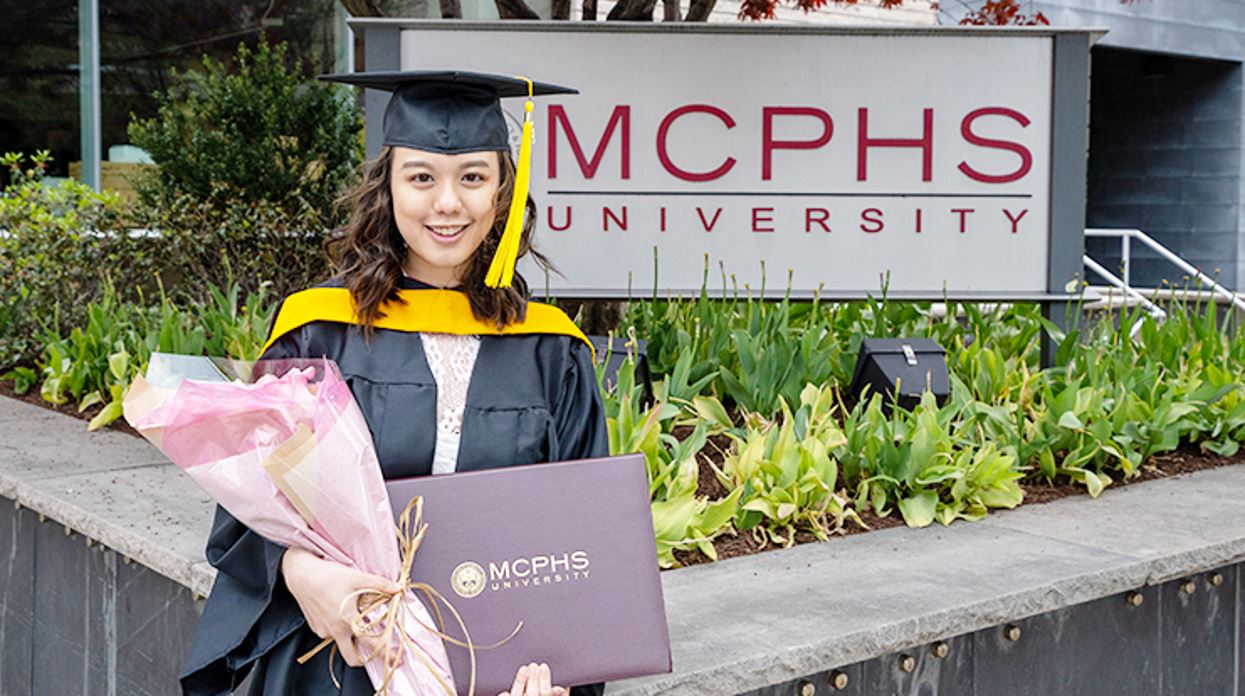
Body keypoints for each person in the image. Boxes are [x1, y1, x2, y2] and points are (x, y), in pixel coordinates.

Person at [179, 71, 608, 696]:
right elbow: (247, 516)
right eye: (422, 177)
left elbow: (582, 541)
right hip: (336, 662)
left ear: (502, 192)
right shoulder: (318, 332)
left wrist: (563, 671)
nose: (447, 204)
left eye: (473, 177)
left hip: (495, 671)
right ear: (388, 187)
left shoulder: (551, 350)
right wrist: (300, 572)